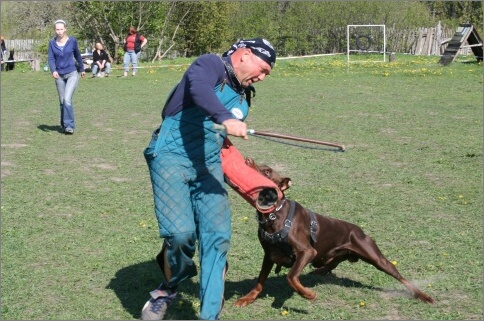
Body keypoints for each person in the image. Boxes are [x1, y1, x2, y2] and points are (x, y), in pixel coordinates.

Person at [142, 38, 276, 320]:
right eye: (262, 69)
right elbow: (199, 89)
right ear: (245, 55)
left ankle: (209, 314)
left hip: (209, 164)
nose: (262, 78)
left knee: (217, 237)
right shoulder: (210, 64)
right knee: (180, 235)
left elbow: (227, 132)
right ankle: (169, 285)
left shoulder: (244, 96)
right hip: (170, 155)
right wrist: (224, 117)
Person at [47, 19, 85, 135]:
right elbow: (51, 58)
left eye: (61, 29)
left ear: (65, 29)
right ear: (55, 30)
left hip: (72, 73)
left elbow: (77, 55)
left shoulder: (72, 41)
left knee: (67, 99)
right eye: (57, 29)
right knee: (62, 101)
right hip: (59, 75)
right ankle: (64, 125)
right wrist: (53, 70)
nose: (59, 31)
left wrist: (82, 69)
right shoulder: (52, 43)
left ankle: (69, 126)